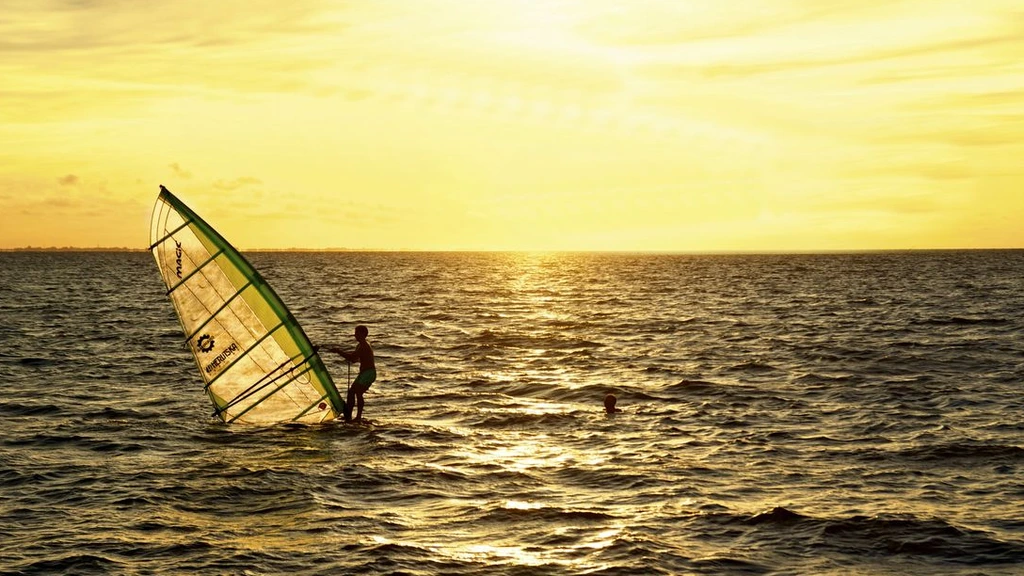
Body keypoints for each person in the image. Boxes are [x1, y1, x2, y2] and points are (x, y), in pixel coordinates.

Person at [325, 325, 376, 422]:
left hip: (368, 373)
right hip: (364, 373)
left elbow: (352, 358)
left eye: (357, 333)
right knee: (352, 392)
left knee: (358, 392)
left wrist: (339, 351)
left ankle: (358, 417)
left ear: (363, 334)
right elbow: (354, 359)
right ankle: (349, 415)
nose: (355, 335)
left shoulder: (364, 345)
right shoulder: (360, 345)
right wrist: (347, 356)